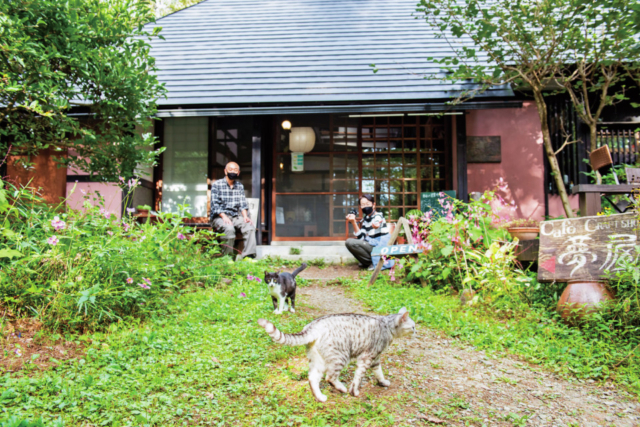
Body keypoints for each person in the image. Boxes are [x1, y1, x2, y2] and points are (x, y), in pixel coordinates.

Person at [210, 162, 256, 259]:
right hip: (219, 217)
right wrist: (224, 216)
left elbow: (242, 204)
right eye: (230, 169)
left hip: (235, 216)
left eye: (235, 170)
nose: (233, 171)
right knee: (229, 228)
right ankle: (228, 258)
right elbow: (215, 205)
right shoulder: (216, 185)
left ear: (238, 173)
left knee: (249, 226)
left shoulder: (239, 186)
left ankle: (249, 256)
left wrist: (245, 216)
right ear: (225, 171)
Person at [345, 194, 394, 271]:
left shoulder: (378, 215)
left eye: (367, 204)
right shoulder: (366, 219)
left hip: (381, 246)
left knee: (350, 242)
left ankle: (374, 263)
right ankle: (370, 262)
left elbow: (377, 222)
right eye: (363, 205)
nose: (365, 206)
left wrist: (376, 225)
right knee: (349, 242)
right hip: (373, 245)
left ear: (373, 205)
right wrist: (353, 222)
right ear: (360, 207)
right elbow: (361, 238)